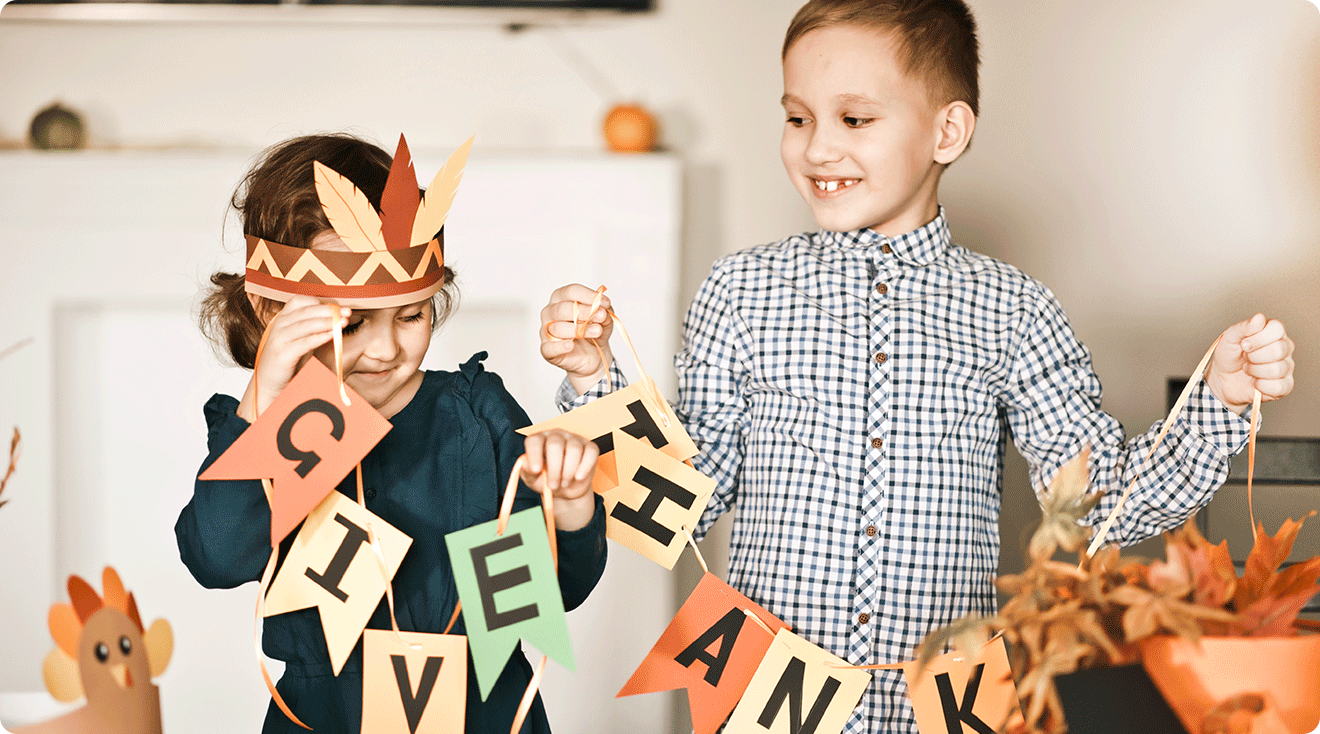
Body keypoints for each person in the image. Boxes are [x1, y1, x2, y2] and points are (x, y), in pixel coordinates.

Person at [539, 1, 1296, 731]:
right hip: (763, 705)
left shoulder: (1015, 310)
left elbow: (1100, 508)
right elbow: (689, 505)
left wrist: (1218, 400)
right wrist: (594, 378)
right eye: (797, 117)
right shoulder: (739, 292)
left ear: (947, 131)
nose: (815, 147)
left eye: (854, 119)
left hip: (948, 711)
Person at [176, 132, 607, 734]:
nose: (385, 348)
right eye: (353, 324)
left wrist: (571, 503)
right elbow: (217, 556)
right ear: (274, 315)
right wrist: (267, 399)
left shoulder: (477, 416)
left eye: (411, 316)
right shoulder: (268, 428)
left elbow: (554, 592)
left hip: (484, 712)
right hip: (326, 717)